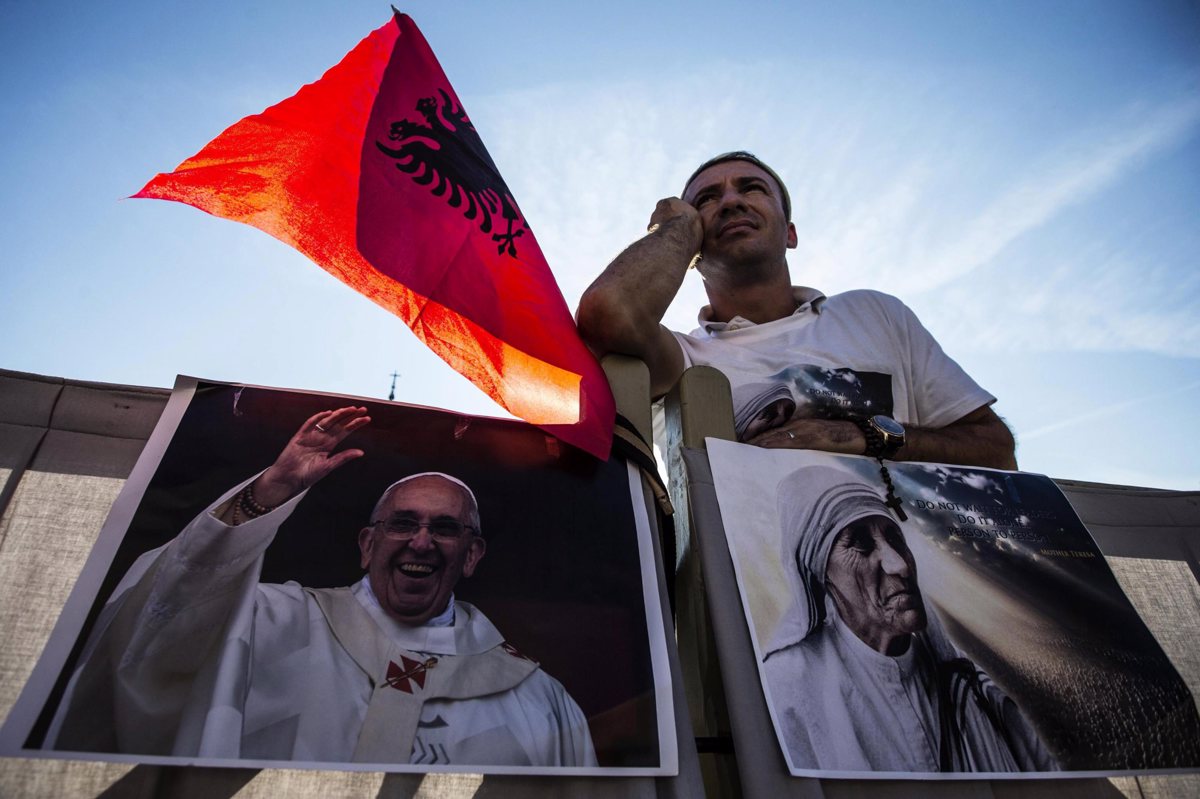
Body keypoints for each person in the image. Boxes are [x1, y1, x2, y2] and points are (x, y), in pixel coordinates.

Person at [47, 407, 597, 768]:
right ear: (367, 545)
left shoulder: (536, 697)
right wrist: (268, 493)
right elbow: (162, 616)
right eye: (402, 524)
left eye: (446, 529)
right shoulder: (265, 621)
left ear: (472, 555)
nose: (421, 542)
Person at [577, 151, 1016, 469]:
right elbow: (609, 312)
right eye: (707, 199)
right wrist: (679, 225)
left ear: (790, 234)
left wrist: (861, 435)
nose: (730, 201)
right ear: (691, 250)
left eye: (751, 188)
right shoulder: (685, 358)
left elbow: (996, 450)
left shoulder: (873, 315)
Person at [762, 465, 1056, 772]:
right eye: (860, 544)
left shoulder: (972, 690)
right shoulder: (789, 684)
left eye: (895, 539)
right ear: (821, 573)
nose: (899, 565)